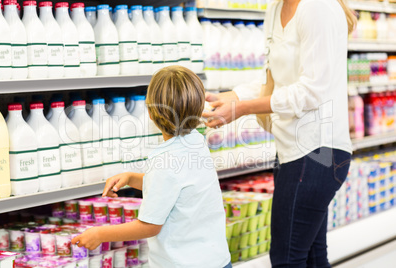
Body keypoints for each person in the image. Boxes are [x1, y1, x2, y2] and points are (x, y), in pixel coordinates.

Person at [202, 0, 356, 267]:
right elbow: (275, 82)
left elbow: (311, 92)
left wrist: (242, 108)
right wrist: (234, 95)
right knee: (312, 258)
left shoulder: (318, 7)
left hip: (318, 151)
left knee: (287, 260)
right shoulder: (275, 9)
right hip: (290, 150)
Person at [71, 66, 231, 268]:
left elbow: (150, 226)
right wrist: (131, 178)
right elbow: (177, 189)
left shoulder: (164, 162)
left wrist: (100, 234)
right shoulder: (196, 142)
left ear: (151, 113)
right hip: (217, 260)